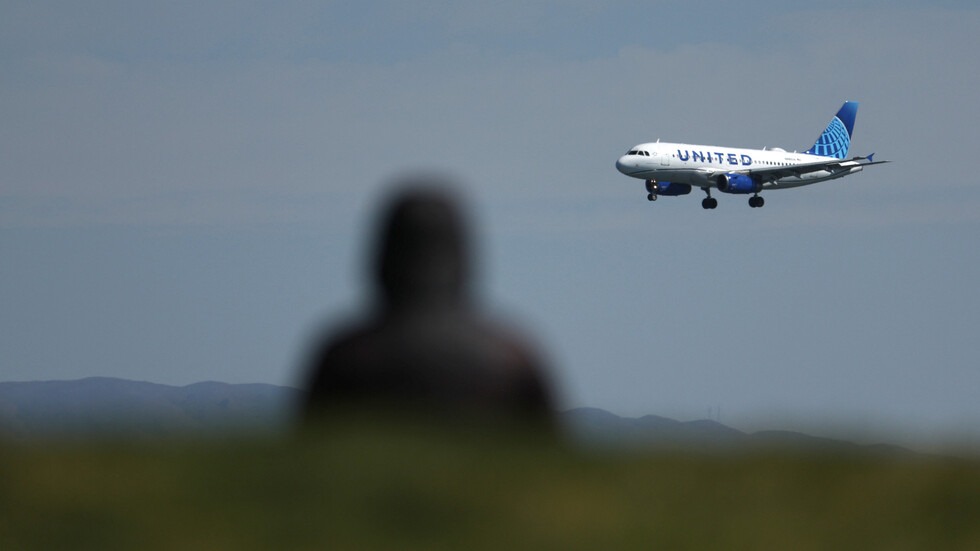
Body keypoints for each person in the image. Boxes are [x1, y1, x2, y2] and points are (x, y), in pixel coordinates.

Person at [301, 180, 555, 428]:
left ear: (382, 258)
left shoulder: (346, 358)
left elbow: (309, 444)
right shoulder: (510, 360)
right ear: (462, 259)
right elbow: (550, 449)